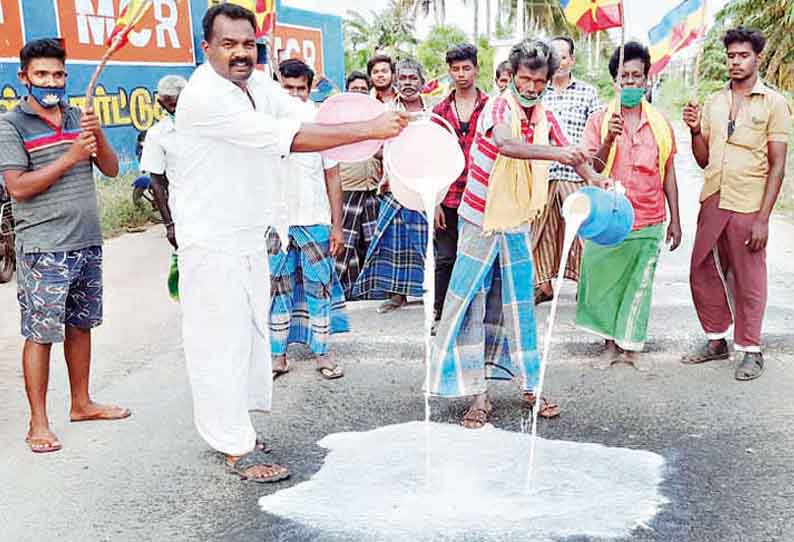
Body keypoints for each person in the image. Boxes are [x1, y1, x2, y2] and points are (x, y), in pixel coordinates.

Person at [172, 4, 407, 483]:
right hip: (211, 239)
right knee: (218, 342)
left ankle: (236, 428)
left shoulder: (255, 84)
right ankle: (233, 443)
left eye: (247, 44)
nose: (241, 53)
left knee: (248, 339)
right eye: (228, 44)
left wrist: (376, 117)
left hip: (249, 234)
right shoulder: (204, 98)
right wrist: (370, 129)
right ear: (207, 47)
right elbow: (293, 136)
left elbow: (301, 112)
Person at [429, 39, 607, 429]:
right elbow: (508, 145)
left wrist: (596, 179)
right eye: (525, 79)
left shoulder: (545, 115)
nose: (531, 87)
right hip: (479, 218)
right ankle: (478, 396)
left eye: (538, 81)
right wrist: (558, 155)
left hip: (517, 221)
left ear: (547, 80)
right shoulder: (497, 108)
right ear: (512, 76)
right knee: (471, 303)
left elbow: (571, 152)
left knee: (519, 305)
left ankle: (531, 385)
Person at [0, 38, 128, 454]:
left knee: (81, 325)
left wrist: (96, 135)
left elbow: (110, 169)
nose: (51, 82)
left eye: (57, 74)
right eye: (41, 75)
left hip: (86, 242)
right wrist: (71, 156)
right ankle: (38, 422)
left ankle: (82, 403)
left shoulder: (78, 116)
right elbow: (18, 188)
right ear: (24, 78)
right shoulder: (11, 125)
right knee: (40, 334)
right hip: (43, 246)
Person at [681, 27, 791, 380]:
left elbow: (778, 166)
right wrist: (695, 131)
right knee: (702, 268)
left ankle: (751, 348)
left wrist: (763, 220)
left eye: (743, 55)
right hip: (714, 197)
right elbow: (702, 160)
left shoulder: (773, 103)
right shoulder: (714, 101)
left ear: (757, 58)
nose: (735, 62)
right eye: (730, 56)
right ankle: (716, 340)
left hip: (748, 203)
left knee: (748, 278)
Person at [577, 42, 682, 371]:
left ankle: (630, 348)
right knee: (604, 283)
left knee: (639, 284)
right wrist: (609, 138)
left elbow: (668, 173)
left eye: (637, 76)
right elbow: (591, 167)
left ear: (647, 80)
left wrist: (676, 220)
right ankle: (608, 346)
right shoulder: (599, 120)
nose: (631, 83)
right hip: (609, 220)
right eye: (625, 77)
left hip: (649, 217)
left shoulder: (661, 124)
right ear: (615, 82)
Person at [268, 59, 348, 381]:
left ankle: (323, 353)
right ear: (277, 86)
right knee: (277, 289)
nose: (294, 95)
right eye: (287, 88)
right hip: (276, 223)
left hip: (315, 219)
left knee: (320, 289)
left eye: (301, 88)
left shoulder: (320, 124)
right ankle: (278, 355)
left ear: (309, 89)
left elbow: (333, 177)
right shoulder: (265, 124)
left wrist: (337, 226)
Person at [351, 59, 429, 313]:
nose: (408, 83)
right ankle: (396, 295)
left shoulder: (432, 111)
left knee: (426, 241)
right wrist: (395, 155)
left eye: (413, 78)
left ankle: (430, 293)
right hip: (394, 184)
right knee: (393, 240)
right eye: (403, 78)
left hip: (426, 185)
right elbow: (373, 147)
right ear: (396, 81)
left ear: (422, 81)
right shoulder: (386, 111)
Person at [534, 36, 602, 304]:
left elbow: (597, 132)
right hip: (544, 173)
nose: (559, 62)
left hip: (576, 174)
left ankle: (586, 286)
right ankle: (543, 285)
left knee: (581, 233)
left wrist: (592, 170)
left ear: (571, 60)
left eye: (563, 56)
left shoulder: (587, 92)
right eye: (553, 56)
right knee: (542, 233)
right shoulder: (538, 91)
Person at [431, 43, 489, 328]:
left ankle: (476, 318)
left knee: (478, 260)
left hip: (481, 197)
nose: (461, 74)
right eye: (455, 69)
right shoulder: (439, 111)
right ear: (449, 72)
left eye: (467, 68)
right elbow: (433, 157)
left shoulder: (491, 107)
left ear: (476, 69)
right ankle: (440, 315)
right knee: (445, 259)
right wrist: (437, 201)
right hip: (449, 197)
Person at [335, 71, 383, 297]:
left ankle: (368, 291)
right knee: (346, 244)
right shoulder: (337, 120)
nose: (360, 94)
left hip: (372, 189)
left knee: (371, 242)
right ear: (347, 91)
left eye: (364, 90)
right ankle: (342, 291)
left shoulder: (376, 118)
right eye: (355, 90)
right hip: (347, 188)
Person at [140, 74, 188, 250]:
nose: (177, 110)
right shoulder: (157, 135)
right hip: (183, 217)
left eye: (181, 103)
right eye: (172, 105)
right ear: (161, 104)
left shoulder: (208, 126)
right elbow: (157, 183)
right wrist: (169, 225)